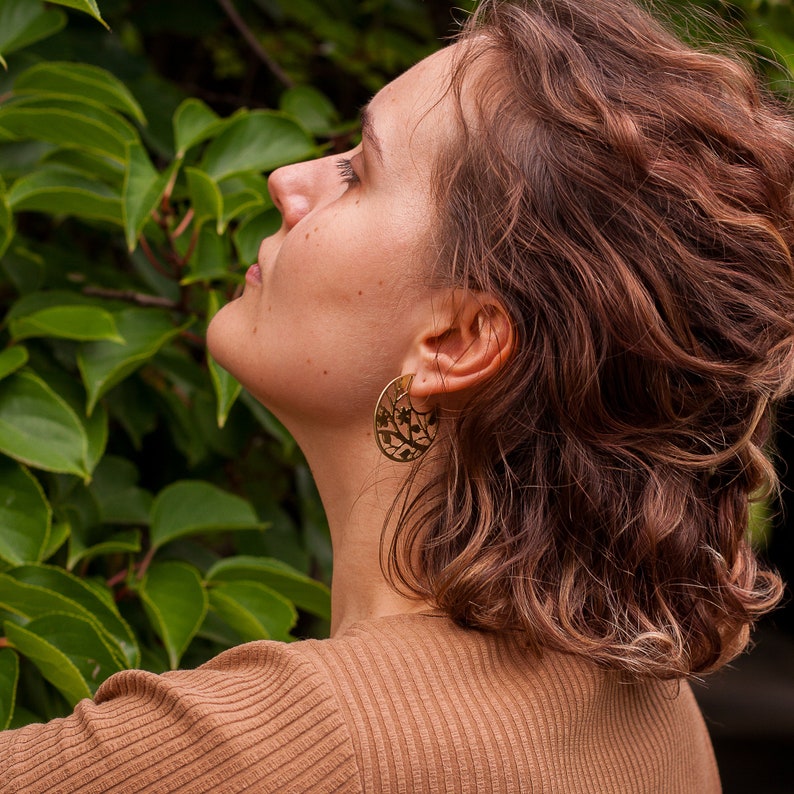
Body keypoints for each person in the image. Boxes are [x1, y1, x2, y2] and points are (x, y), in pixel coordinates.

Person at [2, 0, 793, 790]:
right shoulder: (651, 706)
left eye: (358, 170)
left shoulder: (277, 740)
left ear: (455, 342)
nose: (286, 180)